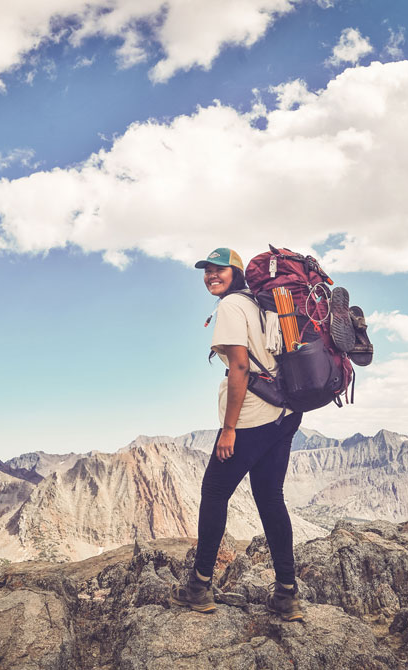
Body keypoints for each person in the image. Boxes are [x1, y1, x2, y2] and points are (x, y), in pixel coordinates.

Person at [170, 247, 305, 622]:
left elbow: (240, 367)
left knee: (214, 492)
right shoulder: (267, 303)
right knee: (269, 495)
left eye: (220, 270)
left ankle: (198, 587)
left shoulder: (231, 307)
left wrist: (229, 429)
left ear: (237, 274)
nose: (211, 276)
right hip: (287, 414)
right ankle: (287, 594)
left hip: (251, 418)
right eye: (207, 271)